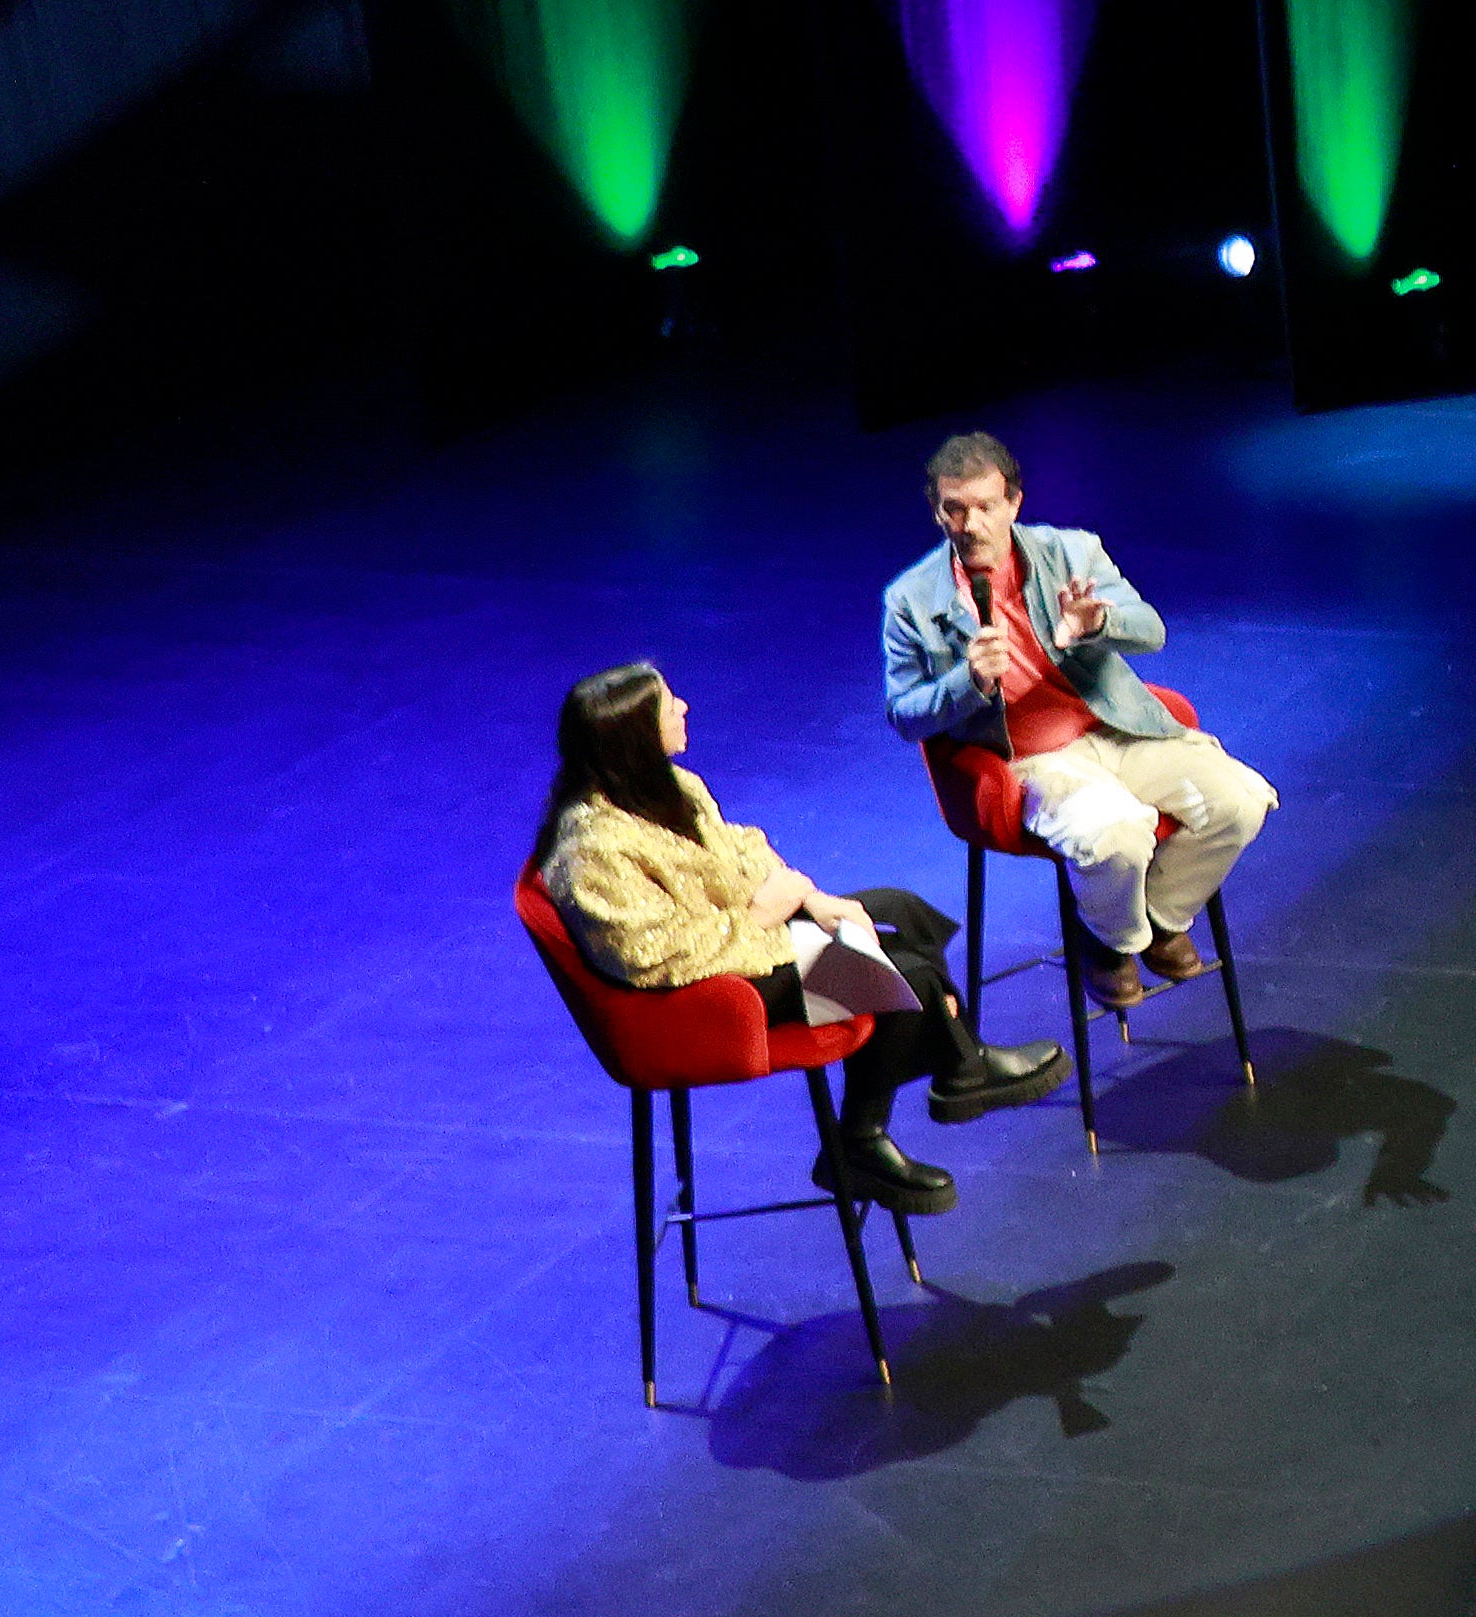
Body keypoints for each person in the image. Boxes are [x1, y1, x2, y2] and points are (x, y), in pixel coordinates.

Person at [533, 662, 1067, 1212]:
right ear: (635, 738)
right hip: (703, 993)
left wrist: (812, 900)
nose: (684, 707)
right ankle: (919, 1094)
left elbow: (740, 848)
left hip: (740, 940)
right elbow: (648, 954)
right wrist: (763, 918)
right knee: (902, 972)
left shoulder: (668, 785)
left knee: (898, 914)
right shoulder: (593, 848)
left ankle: (926, 1085)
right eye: (669, 704)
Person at [881, 432, 1277, 1012]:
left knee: (1241, 801)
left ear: (1013, 503)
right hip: (1033, 759)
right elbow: (904, 715)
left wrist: (1097, 625)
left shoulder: (1071, 551)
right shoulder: (910, 599)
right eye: (954, 509)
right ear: (937, 511)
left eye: (985, 506)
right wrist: (968, 682)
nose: (970, 523)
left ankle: (1159, 919)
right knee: (1116, 836)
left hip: (1115, 728)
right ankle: (1109, 943)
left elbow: (1152, 629)